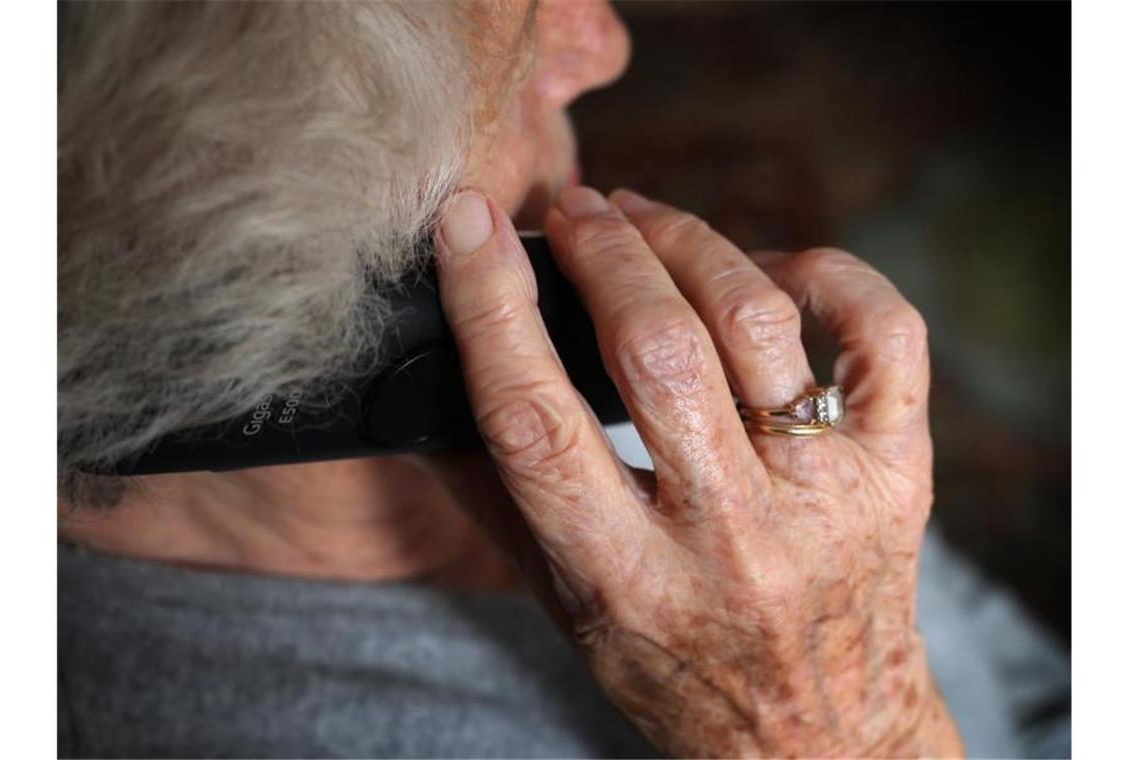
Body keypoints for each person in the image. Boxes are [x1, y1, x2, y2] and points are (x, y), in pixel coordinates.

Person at [57, 1, 1070, 757]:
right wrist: (845, 728)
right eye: (521, 40)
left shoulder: (618, 356)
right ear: (267, 255)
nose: (607, 41)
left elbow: (1019, 686)